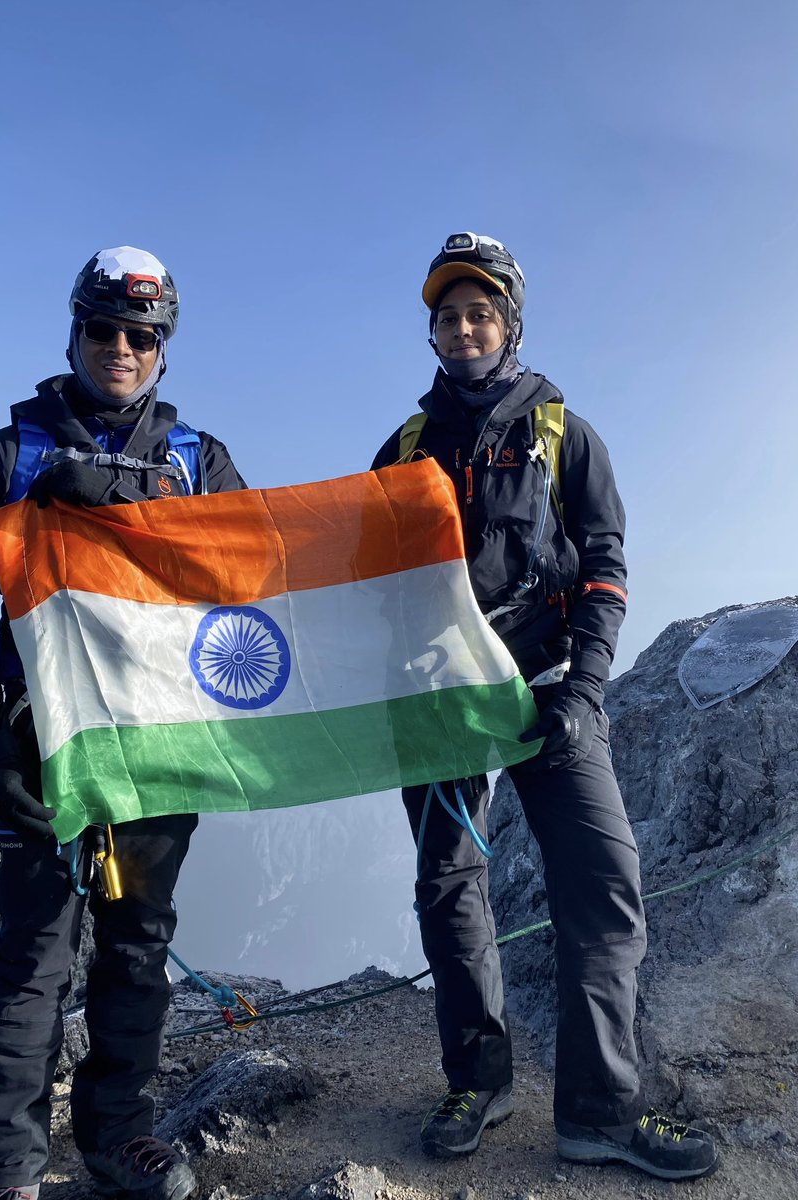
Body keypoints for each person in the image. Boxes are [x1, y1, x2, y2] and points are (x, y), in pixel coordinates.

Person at [371, 233, 718, 1181]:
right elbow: (362, 575)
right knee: (451, 889)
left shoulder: (563, 431)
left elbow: (604, 564)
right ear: (433, 332)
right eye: (447, 314)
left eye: (480, 310)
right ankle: (475, 1083)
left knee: (603, 888)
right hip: (441, 705)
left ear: (510, 322)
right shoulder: (402, 448)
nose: (462, 326)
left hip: (552, 691)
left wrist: (589, 687)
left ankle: (601, 1112)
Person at [0, 246, 246, 1200]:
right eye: (103, 329)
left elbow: (253, 592)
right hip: (46, 748)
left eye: (140, 335)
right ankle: (8, 1168)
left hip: (159, 748)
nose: (120, 348)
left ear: (162, 349)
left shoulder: (201, 465)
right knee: (35, 955)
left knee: (138, 942)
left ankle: (116, 1134)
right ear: (75, 332)